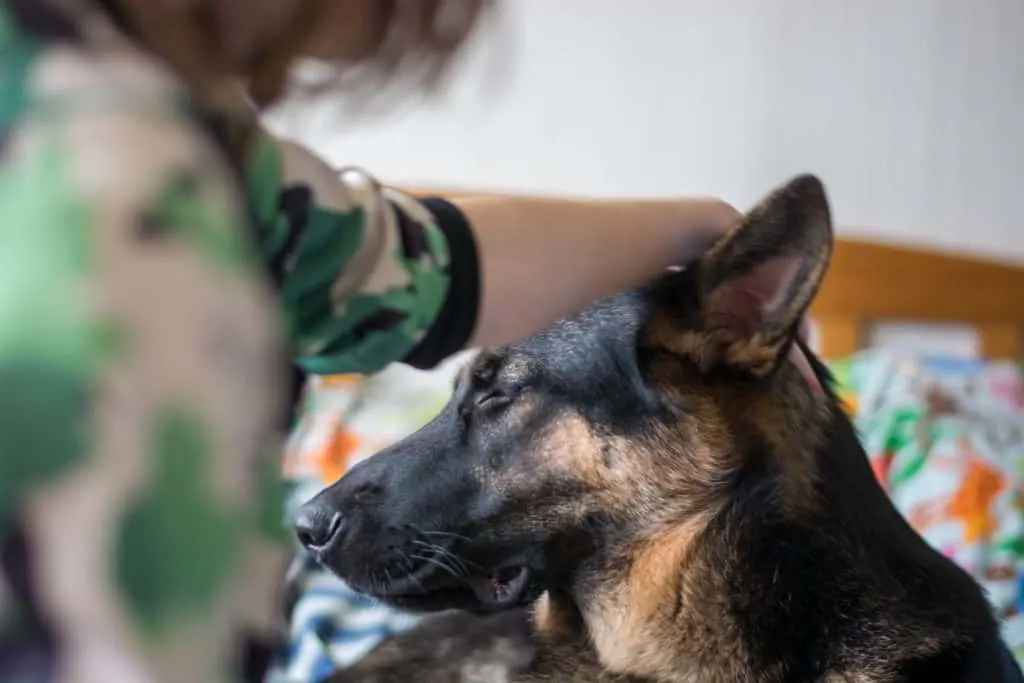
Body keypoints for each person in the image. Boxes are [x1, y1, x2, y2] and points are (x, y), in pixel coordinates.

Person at [0, 1, 746, 682]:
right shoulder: (110, 147)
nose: (282, 84)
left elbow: (427, 264)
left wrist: (694, 225)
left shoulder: (213, 146)